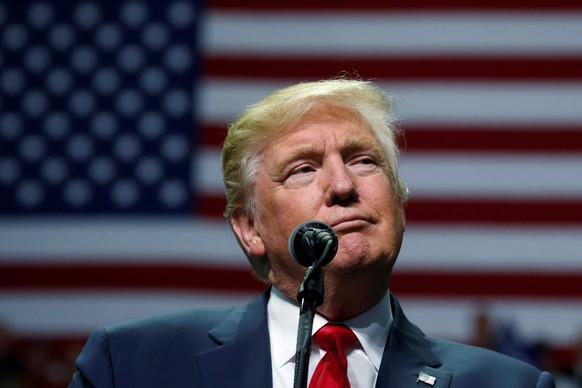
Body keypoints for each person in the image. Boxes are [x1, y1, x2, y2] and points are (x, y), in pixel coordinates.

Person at [69, 79, 555, 387]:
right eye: (302, 169)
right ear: (250, 228)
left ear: (400, 202)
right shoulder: (131, 365)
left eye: (364, 161)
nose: (343, 185)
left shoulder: (508, 384)